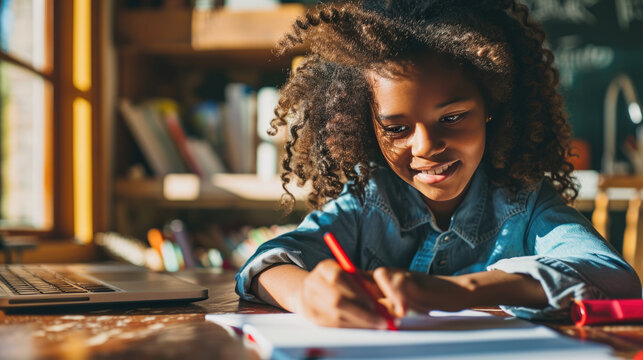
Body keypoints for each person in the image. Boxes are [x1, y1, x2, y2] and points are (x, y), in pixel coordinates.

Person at [235, 0, 642, 329]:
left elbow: (617, 280)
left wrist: (461, 291)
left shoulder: (527, 202)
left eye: (451, 117)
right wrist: (307, 293)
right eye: (396, 128)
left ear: (490, 109)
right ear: (368, 129)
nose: (426, 146)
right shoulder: (367, 200)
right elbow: (266, 263)